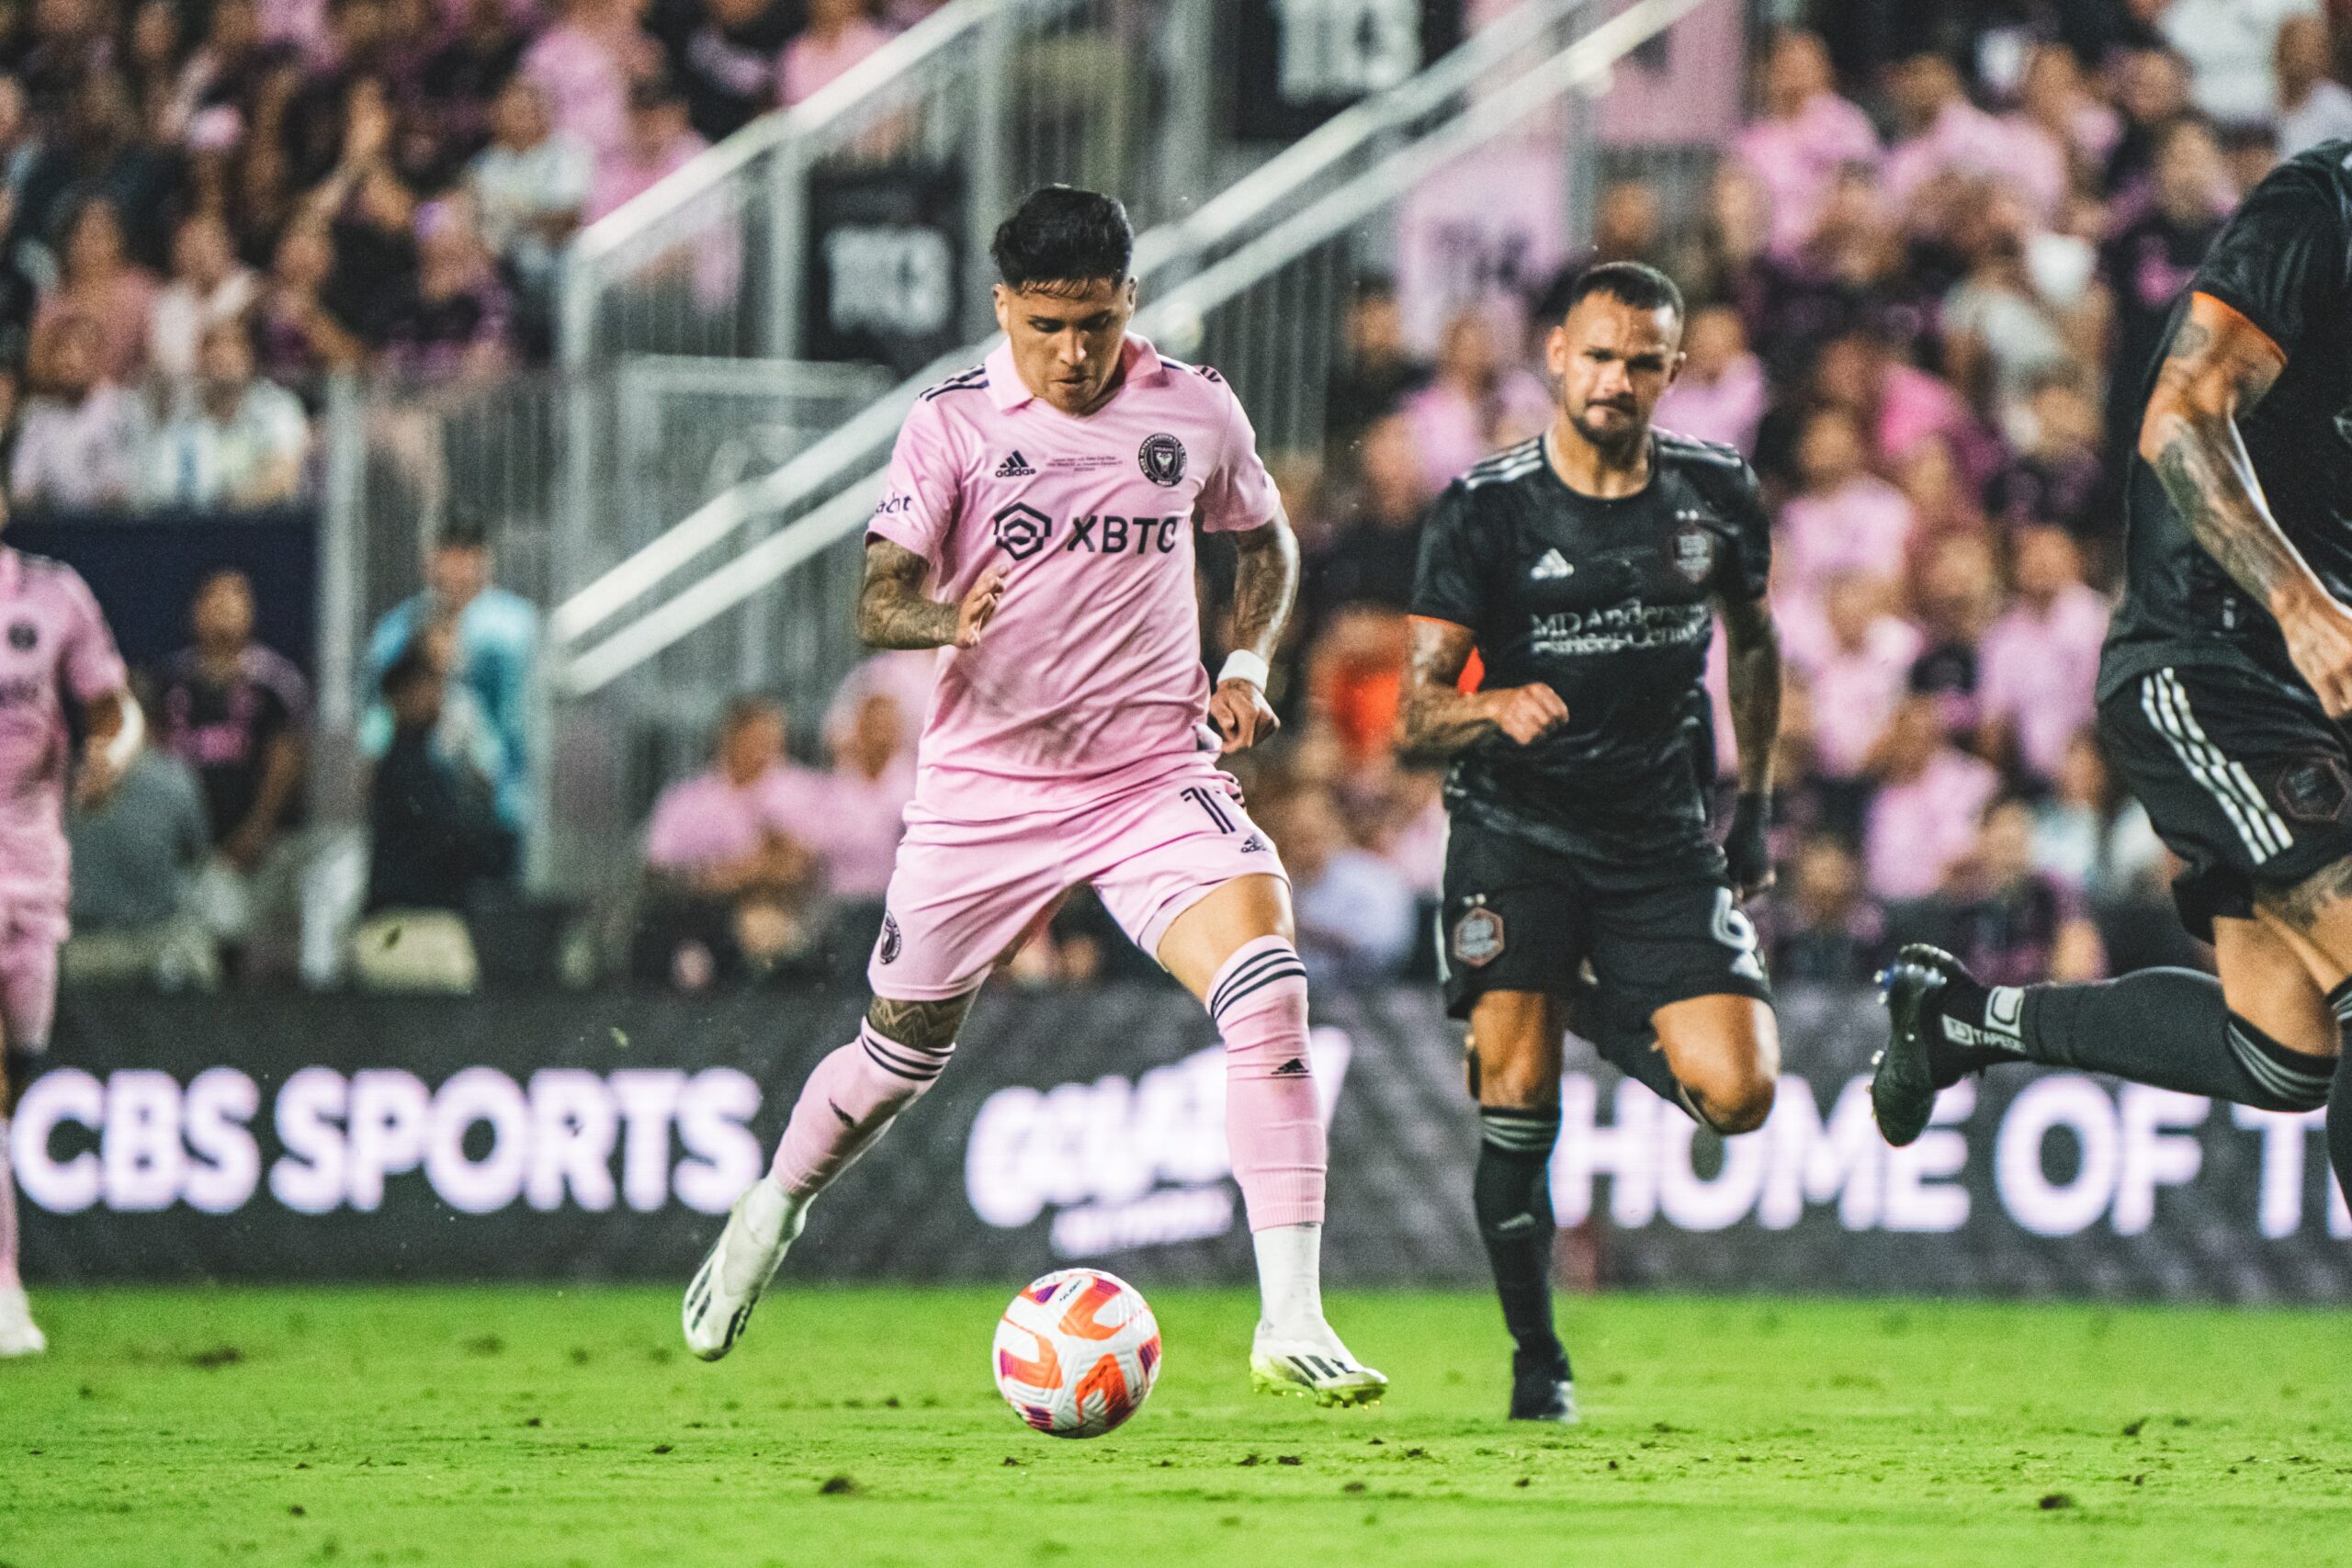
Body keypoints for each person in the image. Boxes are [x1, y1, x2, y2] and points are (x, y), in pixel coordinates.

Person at [682, 186, 1385, 1405]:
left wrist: (1245, 662)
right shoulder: (950, 425)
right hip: (984, 792)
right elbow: (875, 596)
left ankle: (1291, 1316)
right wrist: (947, 616)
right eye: (1048, 324)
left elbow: (1264, 545)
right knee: (896, 1059)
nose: (1074, 351)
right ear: (1004, 306)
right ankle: (774, 1204)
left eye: (1098, 323)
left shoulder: (1194, 407)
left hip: (1149, 775)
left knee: (1270, 987)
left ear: (1131, 304)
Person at [1873, 137, 2352, 1200]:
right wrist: (2299, 604)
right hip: (2214, 658)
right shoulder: (2319, 209)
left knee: (2280, 1051)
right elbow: (2179, 414)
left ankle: (1960, 1019)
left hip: (2330, 693)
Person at [1399, 262, 1782, 1425]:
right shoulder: (1485, 505)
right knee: (1516, 1088)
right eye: (1598, 355)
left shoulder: (1716, 495)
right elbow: (1413, 713)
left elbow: (1754, 646)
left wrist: (1754, 800)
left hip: (1660, 836)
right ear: (1557, 355)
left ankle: (1589, 1002)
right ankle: (1536, 1361)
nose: (1616, 379)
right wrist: (1489, 705)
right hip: (1515, 829)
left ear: (1673, 370)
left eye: (1642, 361)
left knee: (1740, 1093)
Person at [0, 539, 141, 1356]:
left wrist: (108, 760)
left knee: (15, 1083)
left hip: (34, 880)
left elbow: (113, 711)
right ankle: (7, 1288)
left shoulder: (55, 596)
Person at [153, 569, 310, 960]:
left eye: (236, 599)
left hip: (258, 848)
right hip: (189, 847)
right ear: (196, 611)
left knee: (251, 943)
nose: (225, 610)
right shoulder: (172, 680)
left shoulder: (275, 683)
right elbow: (156, 757)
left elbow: (287, 759)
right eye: (215, 600)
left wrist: (256, 830)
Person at [365, 513, 538, 841]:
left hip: (496, 803)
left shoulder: (516, 629)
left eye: (469, 554)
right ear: (431, 560)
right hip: (413, 798)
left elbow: (523, 725)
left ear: (486, 561)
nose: (459, 567)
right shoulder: (396, 629)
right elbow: (379, 718)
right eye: (450, 553)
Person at [141, 321, 311, 508]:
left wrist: (229, 506)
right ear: (200, 359)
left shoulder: (277, 406)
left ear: (251, 356)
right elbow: (163, 487)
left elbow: (283, 479)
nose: (225, 354)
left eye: (235, 344)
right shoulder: (181, 416)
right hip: (195, 528)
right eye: (214, 346)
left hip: (265, 526)